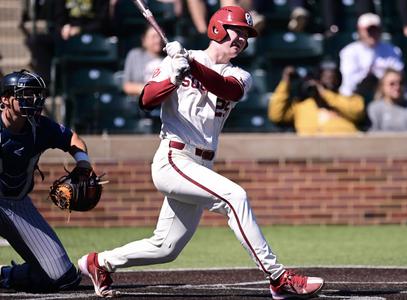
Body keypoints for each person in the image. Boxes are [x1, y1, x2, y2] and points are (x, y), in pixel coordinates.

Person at [77, 6, 324, 300]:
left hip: (201, 164)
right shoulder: (180, 60)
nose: (242, 39)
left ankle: (100, 263)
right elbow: (145, 99)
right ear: (218, 28)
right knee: (235, 197)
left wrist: (191, 66)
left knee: (166, 247)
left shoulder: (240, 74)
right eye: (238, 31)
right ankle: (278, 277)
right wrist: (174, 77)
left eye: (246, 35)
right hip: (173, 158)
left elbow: (227, 89)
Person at [0, 70, 95, 292]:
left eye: (34, 94)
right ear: (5, 99)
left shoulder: (38, 126)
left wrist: (83, 164)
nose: (31, 99)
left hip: (17, 203)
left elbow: (72, 139)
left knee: (64, 277)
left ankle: (7, 274)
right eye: (24, 94)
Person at [268, 63, 365, 134]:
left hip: (345, 153)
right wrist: (285, 83)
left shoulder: (349, 99)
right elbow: (276, 115)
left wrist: (326, 94)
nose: (328, 81)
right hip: (310, 154)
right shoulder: (302, 105)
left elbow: (357, 113)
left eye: (332, 78)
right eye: (324, 78)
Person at [338, 13, 404, 100]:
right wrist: (367, 75)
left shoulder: (392, 50)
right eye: (369, 30)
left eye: (375, 30)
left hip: (383, 98)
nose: (372, 34)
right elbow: (349, 81)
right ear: (360, 30)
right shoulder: (349, 51)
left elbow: (397, 76)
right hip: (354, 97)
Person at [122, 25, 165, 99]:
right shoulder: (134, 55)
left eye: (160, 36)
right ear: (144, 40)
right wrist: (148, 90)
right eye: (154, 37)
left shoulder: (169, 59)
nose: (158, 40)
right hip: (138, 104)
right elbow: (127, 86)